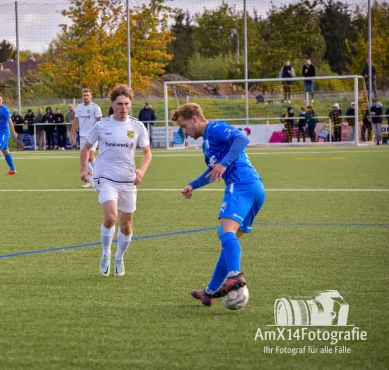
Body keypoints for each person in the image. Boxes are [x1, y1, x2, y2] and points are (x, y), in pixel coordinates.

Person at [171, 102, 265, 306]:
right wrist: (193, 185)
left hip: (242, 183)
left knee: (226, 231)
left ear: (194, 119)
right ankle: (209, 291)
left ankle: (235, 275)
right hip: (254, 189)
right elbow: (213, 172)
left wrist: (224, 164)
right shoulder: (206, 143)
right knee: (225, 235)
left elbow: (242, 139)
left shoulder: (215, 128)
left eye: (185, 127)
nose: (185, 132)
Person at [81, 84, 152, 277]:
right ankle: (105, 253)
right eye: (119, 104)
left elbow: (147, 153)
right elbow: (86, 148)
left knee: (126, 224)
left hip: (128, 180)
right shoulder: (102, 125)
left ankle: (119, 257)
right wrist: (83, 170)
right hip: (105, 177)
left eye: (127, 104)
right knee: (111, 216)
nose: (123, 108)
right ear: (112, 104)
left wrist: (142, 171)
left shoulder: (137, 126)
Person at [70, 88, 103, 187]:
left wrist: (101, 134)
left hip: (93, 136)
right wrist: (72, 135)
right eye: (84, 95)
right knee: (85, 157)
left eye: (87, 95)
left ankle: (101, 176)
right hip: (82, 136)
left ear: (91, 96)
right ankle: (91, 180)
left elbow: (100, 121)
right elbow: (75, 122)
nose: (86, 97)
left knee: (90, 156)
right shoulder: (79, 107)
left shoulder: (95, 107)